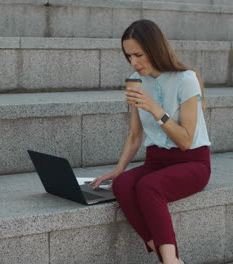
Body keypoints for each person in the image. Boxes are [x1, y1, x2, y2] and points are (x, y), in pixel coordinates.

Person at [90, 19, 211, 264]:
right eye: (128, 56)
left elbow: (186, 140)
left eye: (138, 54)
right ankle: (168, 256)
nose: (134, 62)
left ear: (154, 49)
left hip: (192, 163)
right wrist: (118, 170)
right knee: (123, 185)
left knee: (148, 187)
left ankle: (170, 262)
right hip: (156, 160)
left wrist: (156, 109)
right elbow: (135, 135)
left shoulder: (186, 79)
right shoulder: (135, 80)